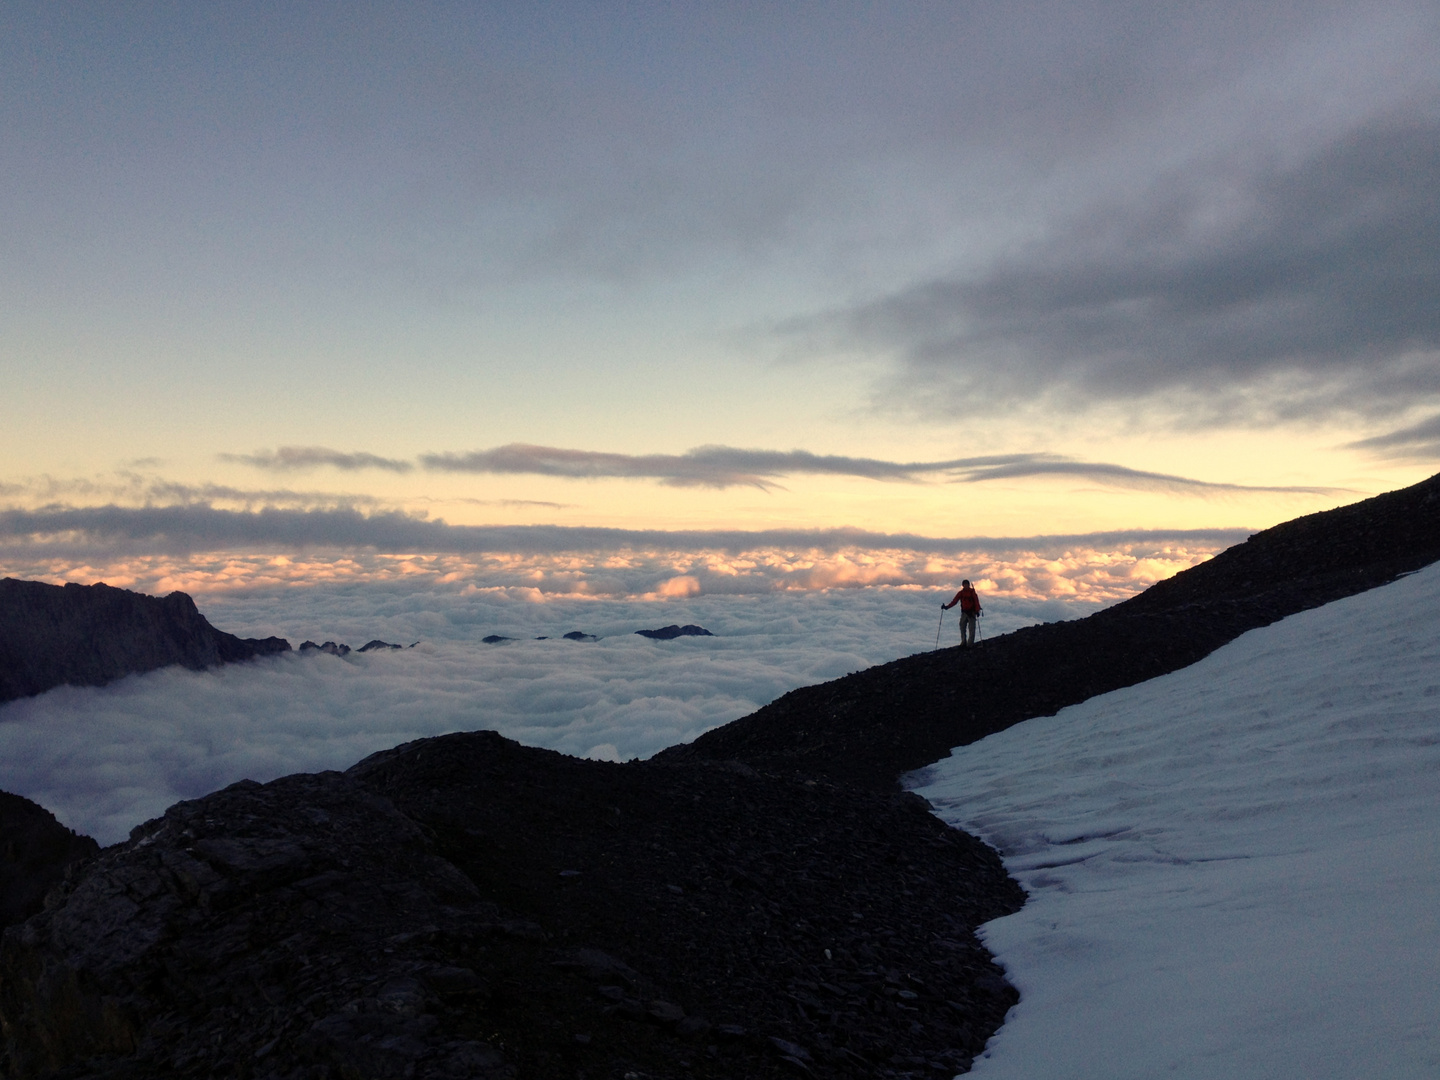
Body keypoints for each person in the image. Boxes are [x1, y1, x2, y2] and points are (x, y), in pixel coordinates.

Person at [942, 579, 982, 646]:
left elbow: (976, 602)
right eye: (965, 585)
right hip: (965, 613)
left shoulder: (972, 593)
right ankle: (964, 642)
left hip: (971, 612)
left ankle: (969, 644)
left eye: (966, 584)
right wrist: (947, 607)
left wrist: (977, 611)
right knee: (962, 626)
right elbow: (954, 601)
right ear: (963, 585)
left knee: (971, 628)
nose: (966, 586)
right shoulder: (961, 593)